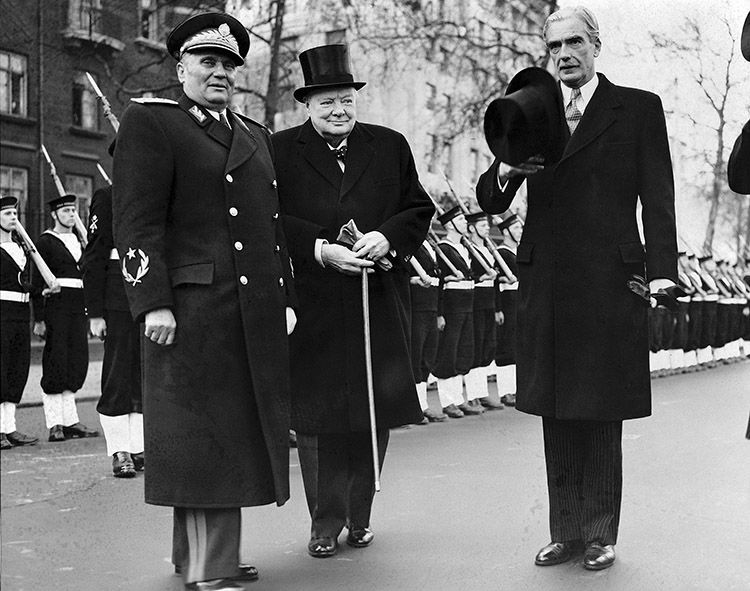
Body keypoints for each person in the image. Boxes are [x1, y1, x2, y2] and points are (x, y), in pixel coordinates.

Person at [477, 6, 678, 570]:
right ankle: (564, 531)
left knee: (600, 409)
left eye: (573, 44)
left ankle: (599, 532)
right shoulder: (531, 111)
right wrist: (511, 169)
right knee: (556, 409)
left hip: (612, 282)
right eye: (553, 46)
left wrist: (662, 273)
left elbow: (657, 196)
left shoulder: (637, 108)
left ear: (595, 45)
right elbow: (491, 198)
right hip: (548, 282)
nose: (563, 55)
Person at [112, 12, 296, 591]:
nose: (220, 72)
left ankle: (204, 556)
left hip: (248, 309)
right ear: (181, 66)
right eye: (207, 62)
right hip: (190, 311)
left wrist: (282, 291)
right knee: (201, 439)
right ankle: (207, 564)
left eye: (228, 64)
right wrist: (152, 302)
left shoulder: (252, 133)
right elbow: (136, 223)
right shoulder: (152, 121)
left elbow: (272, 225)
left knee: (233, 435)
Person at [271, 43, 434, 558]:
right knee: (318, 419)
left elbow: (417, 208)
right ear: (307, 106)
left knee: (371, 412)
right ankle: (324, 523)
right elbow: (269, 221)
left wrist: (387, 237)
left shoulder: (389, 145)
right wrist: (320, 248)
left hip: (377, 300)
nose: (339, 111)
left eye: (346, 100)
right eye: (326, 103)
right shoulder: (279, 151)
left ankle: (360, 516)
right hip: (314, 306)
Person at [81, 183, 144, 478]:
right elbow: (94, 256)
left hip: (151, 297)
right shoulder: (108, 195)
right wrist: (94, 313)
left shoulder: (158, 189)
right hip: (117, 297)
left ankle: (140, 445)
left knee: (144, 373)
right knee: (118, 373)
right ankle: (120, 449)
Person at [32, 194, 99, 442]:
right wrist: (39, 318)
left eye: (73, 210)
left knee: (76, 361)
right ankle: (55, 424)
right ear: (54, 215)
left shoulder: (82, 241)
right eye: (66, 211)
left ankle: (71, 421)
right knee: (56, 361)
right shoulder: (46, 242)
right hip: (57, 308)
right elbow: (38, 281)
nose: (71, 214)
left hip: (78, 308)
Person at [1, 196, 55, 449]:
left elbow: (28, 284)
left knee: (17, 368)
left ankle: (9, 428)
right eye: (7, 214)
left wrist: (39, 309)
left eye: (14, 213)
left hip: (21, 313)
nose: (13, 217)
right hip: (1, 312)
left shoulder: (23, 248)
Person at [433, 208, 479, 418]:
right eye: (460, 219)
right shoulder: (443, 248)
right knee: (449, 350)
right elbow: (440, 282)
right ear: (450, 224)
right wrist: (440, 312)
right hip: (452, 303)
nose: (464, 223)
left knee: (463, 349)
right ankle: (447, 401)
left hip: (468, 301)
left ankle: (459, 398)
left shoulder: (464, 248)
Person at [464, 211, 504, 410]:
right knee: (476, 346)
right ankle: (473, 394)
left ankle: (482, 393)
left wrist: (497, 308)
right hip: (475, 300)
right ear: (471, 228)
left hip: (489, 300)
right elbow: (469, 275)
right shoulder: (468, 249)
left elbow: (495, 284)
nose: (486, 229)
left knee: (488, 345)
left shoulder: (489, 249)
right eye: (481, 226)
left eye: (487, 226)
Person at [409, 239, 446, 423]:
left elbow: (439, 283)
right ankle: (414, 408)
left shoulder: (430, 245)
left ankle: (423, 405)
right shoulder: (409, 243)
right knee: (415, 357)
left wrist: (439, 313)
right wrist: (413, 280)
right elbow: (398, 275)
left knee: (427, 358)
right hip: (416, 308)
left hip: (431, 309)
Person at [492, 213, 522, 406]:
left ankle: (516, 388)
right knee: (507, 346)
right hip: (507, 300)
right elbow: (495, 282)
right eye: (516, 228)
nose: (520, 231)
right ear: (506, 231)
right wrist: (498, 308)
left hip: (520, 299)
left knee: (518, 345)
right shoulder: (501, 253)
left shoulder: (519, 251)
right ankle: (506, 390)